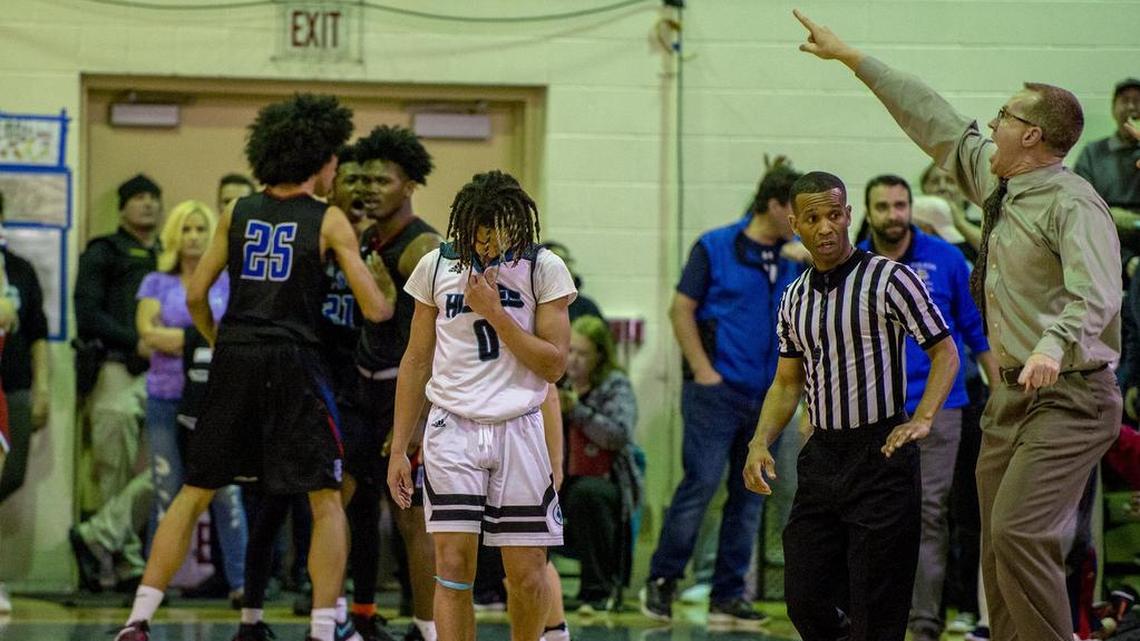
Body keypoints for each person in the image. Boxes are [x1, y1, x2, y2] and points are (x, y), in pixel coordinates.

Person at [793, 11, 1123, 641]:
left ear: (1031, 136)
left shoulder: (1074, 203)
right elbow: (934, 118)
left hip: (1070, 397)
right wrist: (852, 58)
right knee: (997, 551)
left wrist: (1052, 344)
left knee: (1020, 532)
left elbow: (1098, 293)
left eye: (1004, 116)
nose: (992, 123)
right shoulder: (1001, 187)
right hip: (1010, 398)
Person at [114, 93, 394, 641]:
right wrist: (382, 284)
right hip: (297, 362)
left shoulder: (235, 211)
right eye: (333, 159)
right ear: (315, 159)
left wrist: (222, 339)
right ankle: (321, 627)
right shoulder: (329, 218)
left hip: (236, 355)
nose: (336, 167)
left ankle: (138, 618)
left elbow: (197, 295)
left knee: (195, 490)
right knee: (324, 497)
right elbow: (375, 310)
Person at [743, 170, 959, 641]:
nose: (826, 227)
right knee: (804, 597)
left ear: (848, 216)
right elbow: (786, 383)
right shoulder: (793, 297)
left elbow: (945, 351)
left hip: (880, 454)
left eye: (834, 215)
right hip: (822, 456)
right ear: (796, 224)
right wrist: (761, 441)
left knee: (876, 607)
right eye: (814, 218)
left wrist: (923, 418)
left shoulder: (889, 279)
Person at [386, 170, 575, 641]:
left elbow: (553, 367)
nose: (488, 243)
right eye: (478, 232)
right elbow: (414, 360)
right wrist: (398, 448)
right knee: (451, 568)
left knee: (529, 573)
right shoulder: (435, 266)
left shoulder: (543, 267)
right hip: (454, 428)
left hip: (520, 426)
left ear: (517, 225)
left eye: (498, 232)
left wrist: (495, 312)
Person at [641, 164, 803, 627]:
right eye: (797, 211)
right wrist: (702, 370)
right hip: (716, 392)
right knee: (701, 484)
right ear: (774, 206)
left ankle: (728, 594)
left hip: (768, 396)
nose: (804, 221)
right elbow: (681, 309)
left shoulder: (796, 256)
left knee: (752, 492)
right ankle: (662, 581)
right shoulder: (716, 246)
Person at [856, 174, 997, 641]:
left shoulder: (946, 260)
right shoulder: (852, 264)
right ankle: (871, 620)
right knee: (867, 515)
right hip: (869, 412)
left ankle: (923, 622)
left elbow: (977, 335)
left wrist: (1002, 394)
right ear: (868, 211)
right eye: (882, 207)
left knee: (929, 513)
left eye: (900, 205)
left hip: (940, 408)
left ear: (910, 208)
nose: (893, 215)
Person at [350, 125, 441, 641]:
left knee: (413, 519)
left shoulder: (422, 247)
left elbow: (442, 343)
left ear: (409, 186)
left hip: (405, 398)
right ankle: (357, 613)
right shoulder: (368, 237)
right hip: (365, 389)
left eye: (381, 180)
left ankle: (427, 629)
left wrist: (418, 423)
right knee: (352, 502)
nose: (368, 189)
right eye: (363, 179)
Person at [135, 200, 247, 605]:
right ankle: (154, 588)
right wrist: (201, 336)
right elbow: (146, 334)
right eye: (186, 229)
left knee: (226, 493)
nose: (194, 237)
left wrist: (176, 336)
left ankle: (240, 583)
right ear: (174, 235)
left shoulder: (226, 282)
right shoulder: (155, 282)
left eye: (201, 229)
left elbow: (231, 333)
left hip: (216, 399)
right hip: (165, 396)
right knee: (166, 491)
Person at [73, 173, 162, 590]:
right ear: (123, 206)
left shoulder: (168, 256)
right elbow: (88, 314)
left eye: (154, 198)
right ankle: (117, 566)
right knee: (114, 470)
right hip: (113, 369)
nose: (148, 205)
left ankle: (104, 543)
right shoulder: (103, 251)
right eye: (138, 198)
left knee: (160, 470)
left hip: (162, 375)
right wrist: (136, 341)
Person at [558, 314, 641, 611]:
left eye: (582, 353)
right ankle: (504, 589)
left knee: (587, 496)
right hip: (557, 474)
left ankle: (596, 591)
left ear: (599, 356)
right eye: (570, 351)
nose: (574, 360)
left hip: (604, 481)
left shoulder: (614, 385)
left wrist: (577, 411)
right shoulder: (555, 379)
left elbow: (619, 435)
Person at [0, 188, 51, 504]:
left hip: (14, 385)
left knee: (12, 473)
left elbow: (37, 333)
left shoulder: (19, 268)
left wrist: (42, 389)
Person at [541, 241, 603, 321]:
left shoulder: (585, 307)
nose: (567, 266)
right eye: (560, 261)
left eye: (568, 261)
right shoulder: (529, 305)